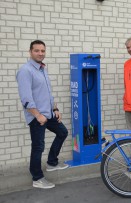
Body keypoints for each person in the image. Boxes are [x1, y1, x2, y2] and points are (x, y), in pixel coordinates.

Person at [16, 40, 69, 189]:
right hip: (37, 117)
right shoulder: (26, 70)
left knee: (62, 132)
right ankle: (37, 177)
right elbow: (26, 98)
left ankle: (52, 162)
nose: (40, 53)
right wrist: (37, 115)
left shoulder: (42, 69)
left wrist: (55, 109)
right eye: (37, 50)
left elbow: (47, 94)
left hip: (49, 113)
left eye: (43, 51)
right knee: (38, 146)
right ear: (30, 52)